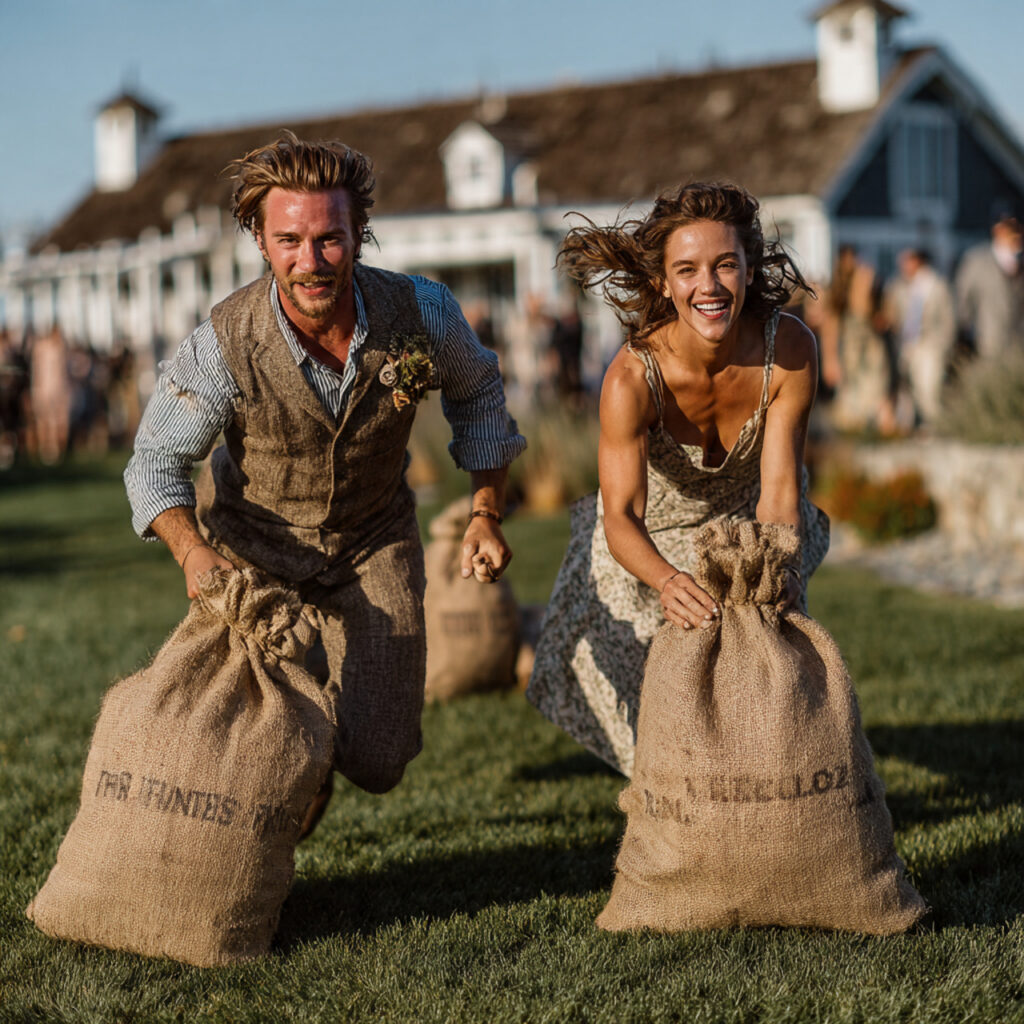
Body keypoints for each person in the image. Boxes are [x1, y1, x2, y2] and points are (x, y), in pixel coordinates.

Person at [125, 131, 525, 827]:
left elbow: (480, 394)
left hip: (374, 539)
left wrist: (485, 510)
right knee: (247, 752)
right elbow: (155, 463)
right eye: (289, 241)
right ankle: (297, 764)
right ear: (258, 237)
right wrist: (193, 553)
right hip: (251, 553)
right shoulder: (224, 342)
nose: (310, 263)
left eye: (329, 240)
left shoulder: (422, 314)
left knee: (380, 758)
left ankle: (325, 751)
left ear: (360, 231)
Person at [526, 182, 830, 776]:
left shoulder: (789, 349)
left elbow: (779, 489)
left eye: (724, 265)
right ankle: (677, 832)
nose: (709, 286)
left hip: (750, 530)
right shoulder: (631, 378)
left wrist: (776, 568)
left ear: (748, 268)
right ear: (664, 282)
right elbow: (620, 515)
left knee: (765, 697)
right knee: (662, 726)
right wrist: (667, 581)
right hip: (648, 544)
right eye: (687, 270)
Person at [884, 247, 956, 428]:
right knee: (907, 389)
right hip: (906, 345)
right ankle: (908, 426)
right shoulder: (899, 286)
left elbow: (948, 320)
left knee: (929, 388)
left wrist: (943, 346)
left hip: (930, 346)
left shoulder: (937, 286)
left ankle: (934, 425)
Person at [955, 208, 1024, 360]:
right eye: (1010, 229)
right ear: (997, 230)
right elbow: (963, 302)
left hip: (1018, 344)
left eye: (1018, 228)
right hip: (986, 343)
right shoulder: (976, 261)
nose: (1015, 234)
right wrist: (965, 336)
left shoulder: (1020, 261)